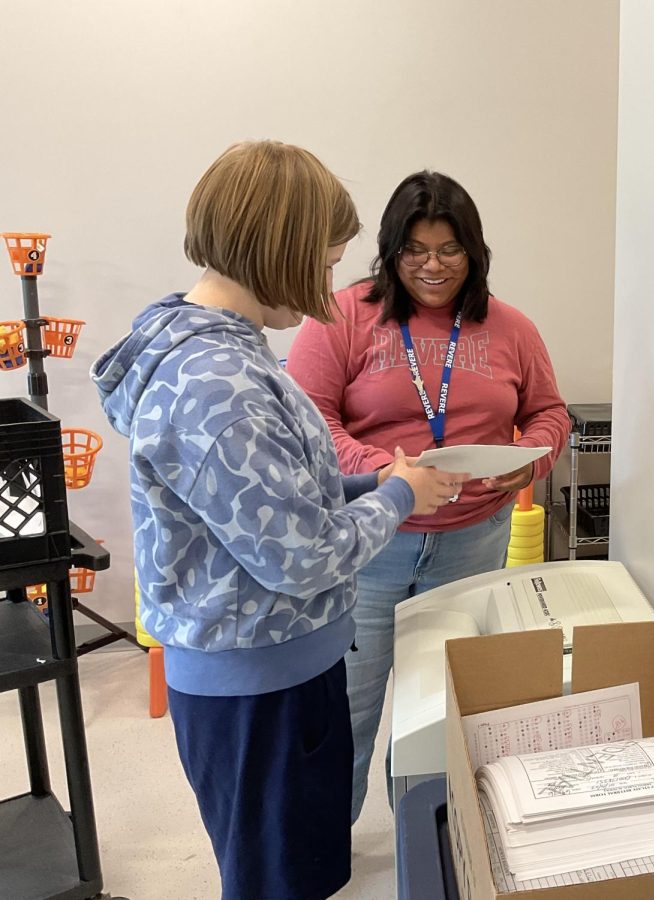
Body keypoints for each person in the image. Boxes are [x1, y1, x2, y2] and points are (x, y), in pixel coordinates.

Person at [90, 142, 467, 900]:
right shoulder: (216, 382)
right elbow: (301, 557)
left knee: (305, 866)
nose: (329, 286)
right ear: (282, 251)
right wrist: (397, 501)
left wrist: (373, 481)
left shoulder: (224, 351)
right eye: (326, 263)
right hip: (259, 691)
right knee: (275, 881)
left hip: (281, 666)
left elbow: (275, 496)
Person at [288, 170, 570, 820]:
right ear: (390, 250)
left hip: (472, 543)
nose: (433, 265)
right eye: (415, 249)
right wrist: (386, 473)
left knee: (439, 703)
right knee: (350, 703)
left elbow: (551, 412)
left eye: (450, 249)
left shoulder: (511, 328)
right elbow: (309, 422)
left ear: (475, 253)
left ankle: (427, 843)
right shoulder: (341, 316)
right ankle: (326, 847)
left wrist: (529, 463)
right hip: (369, 541)